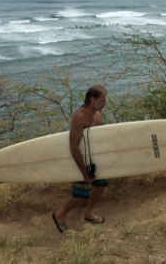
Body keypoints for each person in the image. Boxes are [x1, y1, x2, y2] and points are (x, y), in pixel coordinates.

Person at [52, 85, 108, 233]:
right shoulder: (80, 116)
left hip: (93, 159)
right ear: (92, 99)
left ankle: (89, 213)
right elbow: (73, 146)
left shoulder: (97, 115)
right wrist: (83, 172)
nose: (105, 103)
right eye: (102, 100)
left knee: (102, 183)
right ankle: (60, 214)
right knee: (81, 195)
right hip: (79, 160)